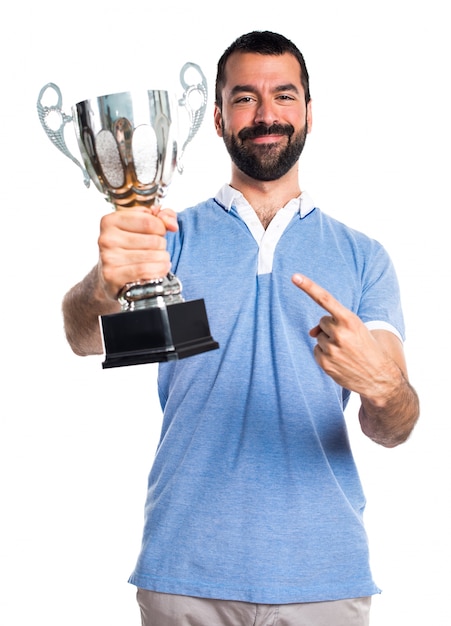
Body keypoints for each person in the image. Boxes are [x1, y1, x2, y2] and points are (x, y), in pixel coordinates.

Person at [62, 31, 420, 626]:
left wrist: (385, 389)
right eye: (244, 98)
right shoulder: (169, 238)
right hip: (184, 574)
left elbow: (394, 427)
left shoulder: (363, 257)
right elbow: (85, 337)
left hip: (323, 579)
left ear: (308, 112)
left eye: (284, 95)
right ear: (219, 119)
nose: (266, 114)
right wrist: (104, 282)